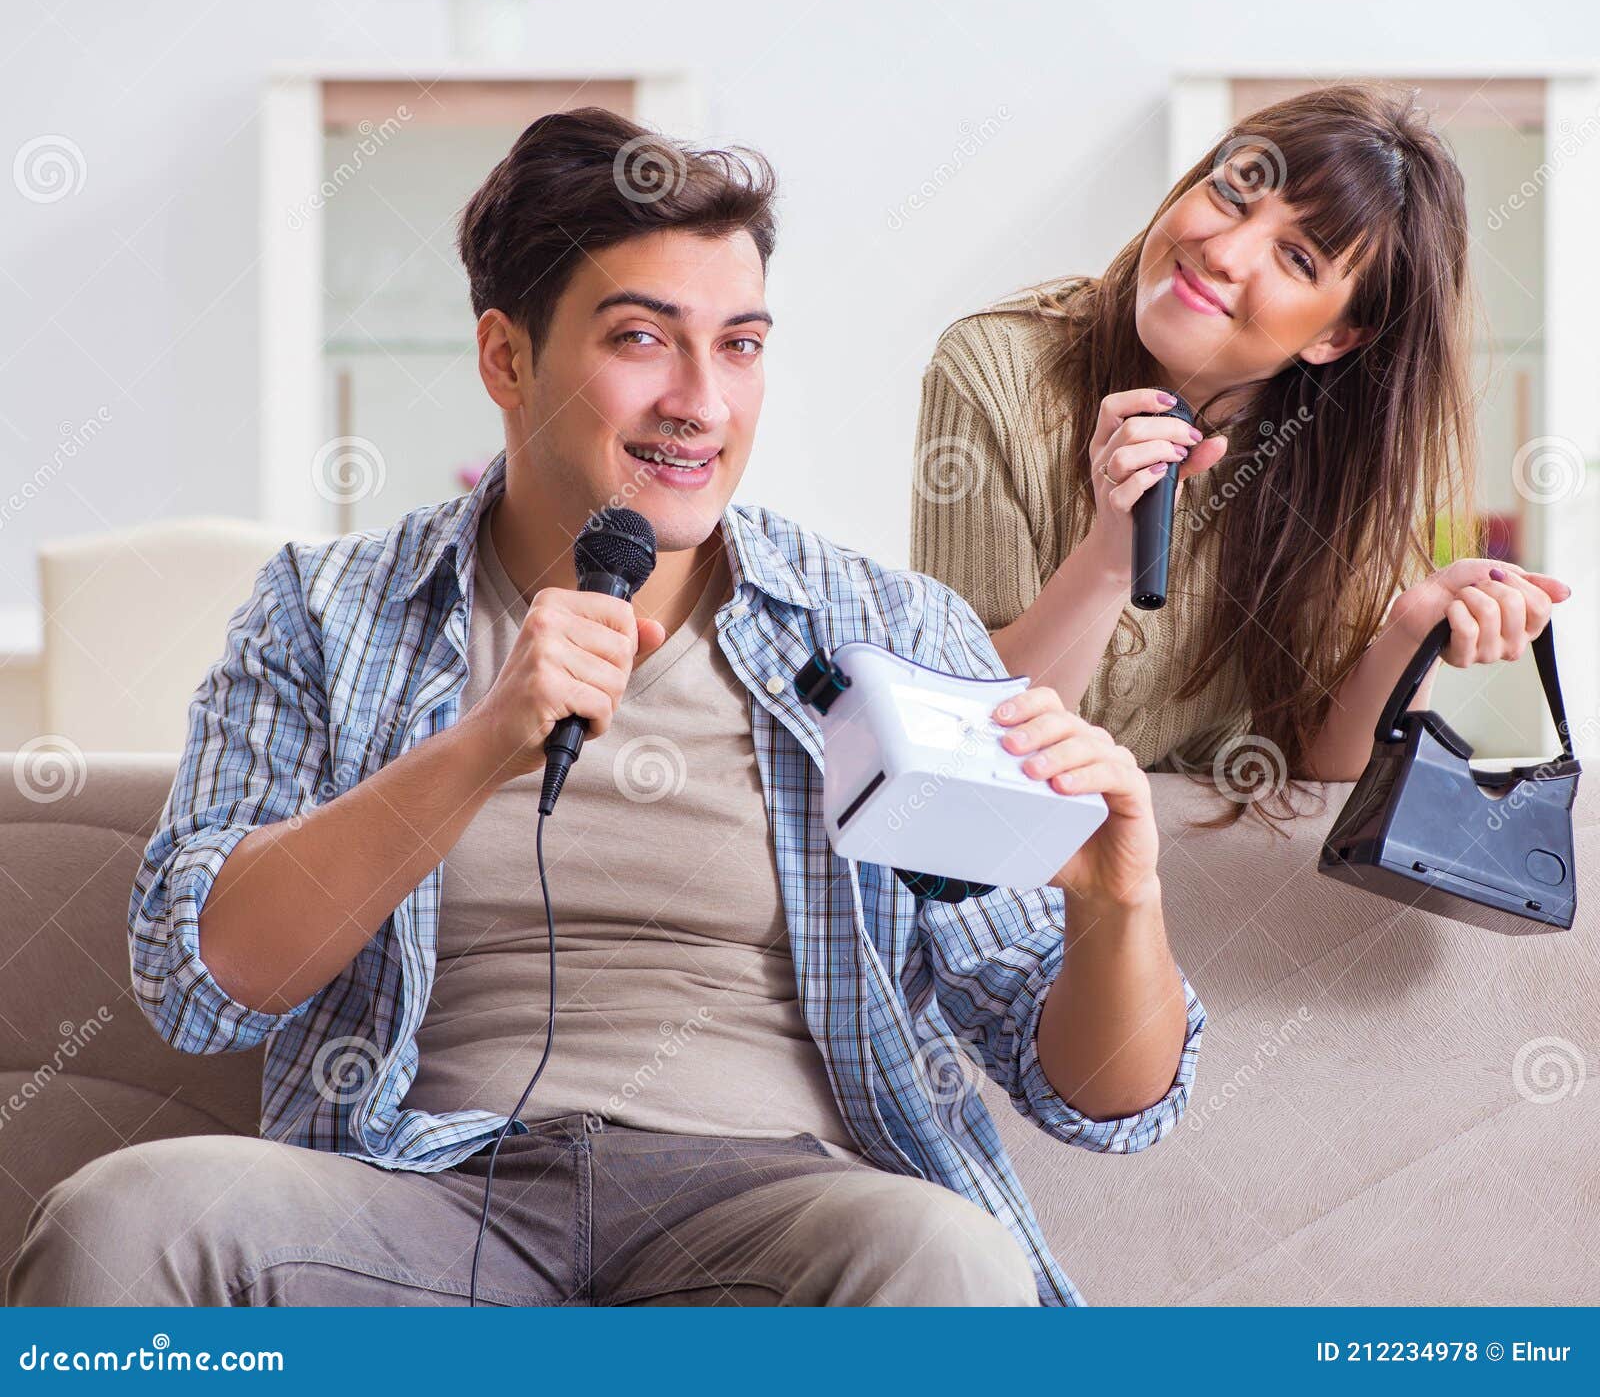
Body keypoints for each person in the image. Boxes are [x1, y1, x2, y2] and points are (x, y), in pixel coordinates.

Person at [10, 109, 1202, 1310]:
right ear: (505, 359)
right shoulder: (326, 611)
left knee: (943, 1259)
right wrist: (481, 746)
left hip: (777, 1214)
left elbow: (1100, 1097)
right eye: (643, 338)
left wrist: (1118, 906)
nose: (701, 401)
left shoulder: (887, 631)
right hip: (417, 1201)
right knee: (127, 1225)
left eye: (738, 347)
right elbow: (199, 979)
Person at [911, 84, 1570, 824]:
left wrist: (1409, 634)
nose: (1221, 252)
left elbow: (1323, 771)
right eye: (1231, 195)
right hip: (1006, 850)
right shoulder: (997, 367)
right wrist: (1108, 561)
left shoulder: (1339, 452)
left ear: (1336, 337)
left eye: (1295, 258)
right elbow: (968, 729)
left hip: (1192, 865)